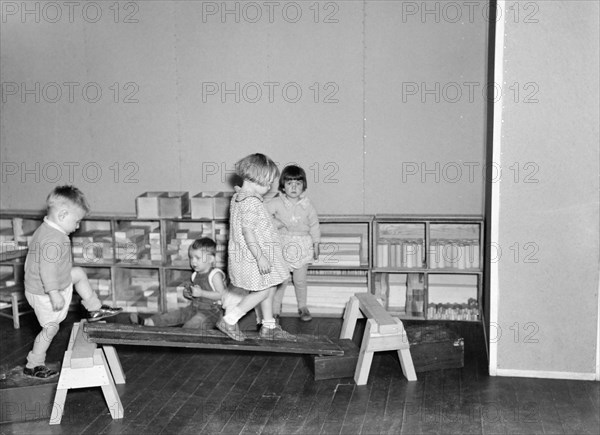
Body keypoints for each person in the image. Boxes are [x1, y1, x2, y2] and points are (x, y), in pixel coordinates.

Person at [23, 185, 122, 379]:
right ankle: (33, 364)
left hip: (50, 282)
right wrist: (53, 292)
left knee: (78, 273)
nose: (77, 226)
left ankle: (94, 308)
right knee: (50, 328)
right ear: (62, 215)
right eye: (76, 221)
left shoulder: (48, 230)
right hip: (43, 290)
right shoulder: (54, 239)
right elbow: (47, 269)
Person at [216, 153, 296, 342]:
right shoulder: (251, 202)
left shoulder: (239, 196)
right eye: (267, 183)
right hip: (253, 256)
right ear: (255, 179)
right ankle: (230, 319)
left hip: (248, 255)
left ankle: (268, 326)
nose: (269, 188)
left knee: (268, 286)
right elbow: (248, 232)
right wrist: (260, 257)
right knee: (263, 290)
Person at [130, 237, 243, 329]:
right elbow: (194, 293)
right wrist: (188, 293)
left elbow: (222, 295)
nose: (193, 261)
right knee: (174, 315)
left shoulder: (215, 275)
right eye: (191, 257)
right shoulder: (195, 274)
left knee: (192, 325)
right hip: (194, 307)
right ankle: (148, 322)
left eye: (197, 258)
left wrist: (201, 293)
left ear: (211, 259)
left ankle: (183, 340)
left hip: (211, 313)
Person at [266, 164, 320, 322]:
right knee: (281, 280)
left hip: (302, 245)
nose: (294, 187)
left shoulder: (307, 206)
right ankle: (275, 309)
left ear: (304, 186)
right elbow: (263, 214)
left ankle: (302, 306)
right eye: (289, 183)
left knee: (300, 280)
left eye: (298, 183)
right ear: (283, 186)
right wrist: (276, 222)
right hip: (283, 244)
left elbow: (314, 225)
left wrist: (316, 244)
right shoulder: (277, 202)